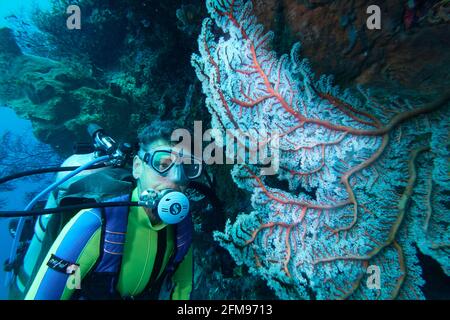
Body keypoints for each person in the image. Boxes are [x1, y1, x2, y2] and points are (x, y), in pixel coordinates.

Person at [25, 120, 200, 300]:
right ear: (138, 167)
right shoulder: (94, 222)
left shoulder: (181, 227)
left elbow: (182, 286)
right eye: (163, 164)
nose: (177, 178)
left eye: (187, 168)